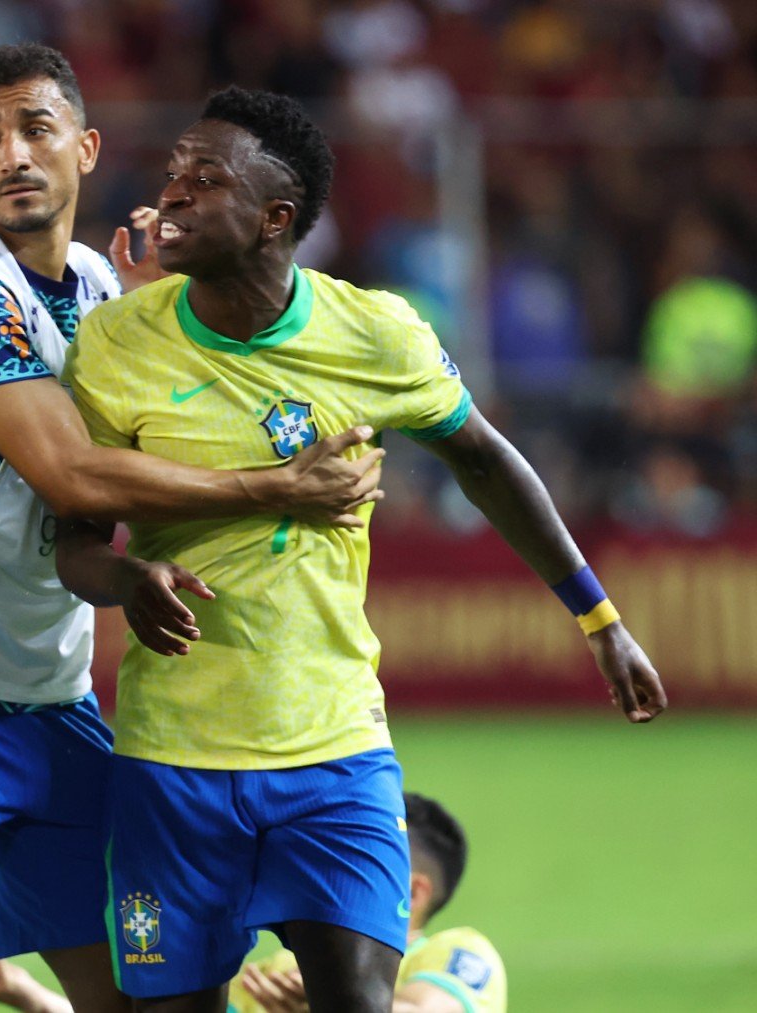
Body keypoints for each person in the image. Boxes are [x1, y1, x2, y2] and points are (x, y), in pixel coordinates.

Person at [57, 86, 663, 1012]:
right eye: (175, 171)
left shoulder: (374, 333)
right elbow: (74, 546)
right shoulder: (112, 344)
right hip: (171, 760)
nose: (172, 193)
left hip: (332, 754)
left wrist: (598, 613)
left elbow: (488, 464)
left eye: (205, 178)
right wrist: (127, 578)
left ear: (276, 218)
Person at [0, 44, 384, 1013]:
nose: (12, 155)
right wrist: (277, 485)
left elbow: (95, 488)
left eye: (35, 130)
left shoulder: (94, 286)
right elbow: (67, 470)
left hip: (52, 702)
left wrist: (137, 314)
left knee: (128, 999)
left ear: (84, 149)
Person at [0, 793, 507, 1013]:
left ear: (413, 890)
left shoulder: (459, 955)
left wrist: (334, 996)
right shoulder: (280, 967)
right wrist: (24, 994)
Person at [232, 794, 506, 1013]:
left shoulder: (459, 953)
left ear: (412, 891)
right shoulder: (278, 973)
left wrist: (328, 1003)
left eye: (359, 859)